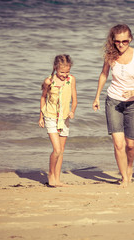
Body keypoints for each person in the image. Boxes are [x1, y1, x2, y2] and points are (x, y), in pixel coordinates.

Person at [92, 24, 134, 187]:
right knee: (118, 143)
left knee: (130, 144)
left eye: (125, 41)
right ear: (113, 41)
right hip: (113, 102)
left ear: (130, 39)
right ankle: (124, 177)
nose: (122, 44)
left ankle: (129, 167)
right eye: (118, 41)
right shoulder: (110, 55)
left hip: (133, 104)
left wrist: (133, 92)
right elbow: (104, 75)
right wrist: (96, 97)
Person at [38, 54, 77, 187]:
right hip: (50, 116)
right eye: (62, 72)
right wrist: (41, 117)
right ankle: (51, 176)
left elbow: (75, 99)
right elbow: (43, 98)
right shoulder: (49, 81)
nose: (65, 75)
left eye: (67, 72)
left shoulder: (71, 80)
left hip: (64, 119)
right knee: (57, 149)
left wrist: (72, 111)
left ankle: (57, 179)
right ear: (55, 68)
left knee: (62, 150)